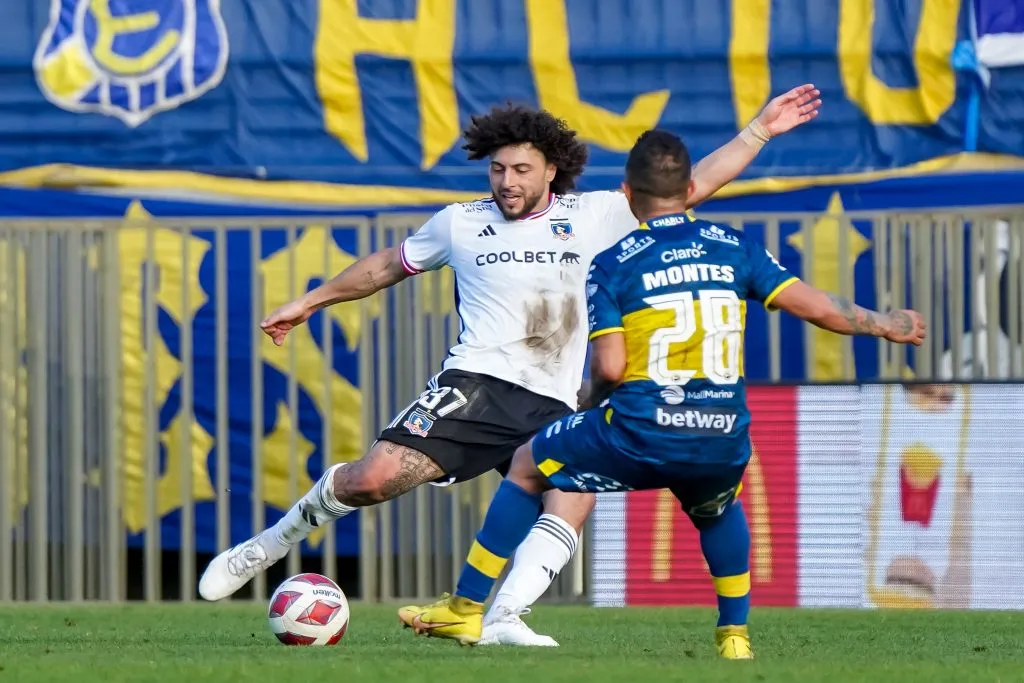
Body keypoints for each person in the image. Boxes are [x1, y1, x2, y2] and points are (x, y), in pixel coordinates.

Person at [198, 88, 823, 647]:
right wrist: (309, 300)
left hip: (560, 399)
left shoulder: (596, 215)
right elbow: (386, 265)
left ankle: (503, 618)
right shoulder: (460, 223)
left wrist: (759, 132)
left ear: (552, 170)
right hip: (478, 387)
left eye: (521, 168)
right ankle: (265, 547)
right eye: (497, 168)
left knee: (571, 496)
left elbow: (692, 186)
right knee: (371, 480)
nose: (506, 180)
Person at [398, 129, 926, 657]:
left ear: (627, 192)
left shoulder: (616, 260)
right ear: (690, 185)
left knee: (527, 464)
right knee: (718, 510)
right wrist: (885, 323)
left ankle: (466, 609)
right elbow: (819, 308)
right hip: (721, 431)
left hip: (639, 430)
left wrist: (589, 400)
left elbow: (610, 366)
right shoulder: (735, 247)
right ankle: (735, 636)